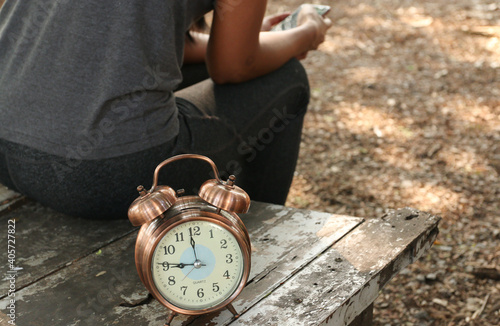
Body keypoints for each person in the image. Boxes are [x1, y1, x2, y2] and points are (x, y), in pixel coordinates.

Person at [0, 0, 332, 219]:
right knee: (288, 79)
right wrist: (307, 31)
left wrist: (237, 37)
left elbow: (133, 40)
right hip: (97, 174)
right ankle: (261, 238)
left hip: (6, 144)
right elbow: (234, 67)